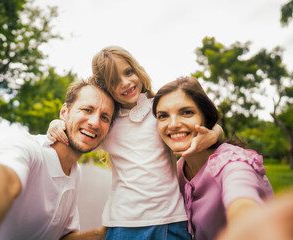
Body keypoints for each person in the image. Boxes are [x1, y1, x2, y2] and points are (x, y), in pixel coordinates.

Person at [47, 46, 222, 240]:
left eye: (128, 72)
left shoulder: (159, 109)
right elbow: (76, 130)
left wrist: (213, 135)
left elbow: (211, 125)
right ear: (106, 88)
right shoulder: (106, 122)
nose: (125, 83)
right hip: (122, 223)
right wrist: (57, 123)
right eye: (114, 81)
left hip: (169, 219)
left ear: (137, 69)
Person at [0, 79, 117, 240]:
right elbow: (2, 180)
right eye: (87, 109)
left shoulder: (76, 171)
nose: (94, 122)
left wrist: (110, 234)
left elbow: (62, 237)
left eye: (104, 117)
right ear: (64, 112)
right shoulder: (26, 149)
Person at [152, 76, 274, 240]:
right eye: (163, 116)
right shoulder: (177, 171)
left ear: (206, 117)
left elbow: (243, 202)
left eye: (186, 112)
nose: (173, 124)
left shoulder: (234, 164)